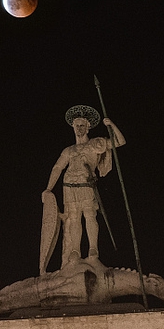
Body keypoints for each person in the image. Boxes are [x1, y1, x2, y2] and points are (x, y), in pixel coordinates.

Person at [43, 105, 125, 266]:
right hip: (69, 186)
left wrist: (111, 125)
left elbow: (120, 142)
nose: (79, 128)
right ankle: (75, 250)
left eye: (82, 125)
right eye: (76, 125)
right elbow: (57, 168)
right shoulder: (69, 150)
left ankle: (93, 249)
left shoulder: (96, 144)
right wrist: (48, 188)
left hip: (86, 184)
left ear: (88, 127)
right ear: (73, 128)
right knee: (74, 218)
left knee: (89, 215)